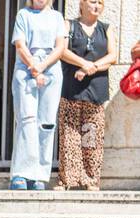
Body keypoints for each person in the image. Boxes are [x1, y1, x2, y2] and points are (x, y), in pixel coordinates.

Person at [57, 0, 117, 191]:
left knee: (92, 135)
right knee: (69, 135)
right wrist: (84, 63)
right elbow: (62, 51)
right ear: (82, 4)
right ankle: (68, 180)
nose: (97, 6)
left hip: (96, 89)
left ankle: (91, 179)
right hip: (72, 88)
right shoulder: (70, 25)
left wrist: (92, 68)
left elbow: (113, 56)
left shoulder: (106, 28)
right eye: (92, 1)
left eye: (100, 3)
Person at [9, 0, 68, 190]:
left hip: (50, 69)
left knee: (46, 123)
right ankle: (21, 173)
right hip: (26, 68)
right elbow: (20, 44)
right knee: (27, 120)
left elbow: (60, 48)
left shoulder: (57, 17)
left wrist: (42, 67)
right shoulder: (22, 15)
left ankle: (40, 175)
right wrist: (34, 67)